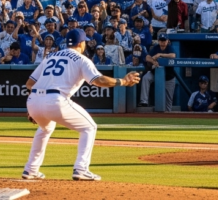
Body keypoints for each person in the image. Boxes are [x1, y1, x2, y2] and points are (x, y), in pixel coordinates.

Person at [22, 29, 141, 181]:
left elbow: (29, 83)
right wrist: (123, 81)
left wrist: (34, 109)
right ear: (81, 43)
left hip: (33, 101)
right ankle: (81, 168)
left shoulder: (50, 56)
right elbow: (98, 81)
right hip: (55, 99)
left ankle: (31, 169)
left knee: (45, 128)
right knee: (89, 127)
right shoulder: (81, 59)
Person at [139, 35, 177, 111]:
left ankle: (168, 115)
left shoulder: (169, 47)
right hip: (155, 74)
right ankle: (144, 101)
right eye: (161, 40)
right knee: (146, 78)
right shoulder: (156, 47)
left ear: (167, 41)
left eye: (164, 41)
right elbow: (147, 57)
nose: (162, 42)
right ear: (158, 41)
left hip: (169, 76)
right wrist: (153, 61)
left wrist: (159, 54)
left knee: (168, 101)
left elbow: (173, 55)